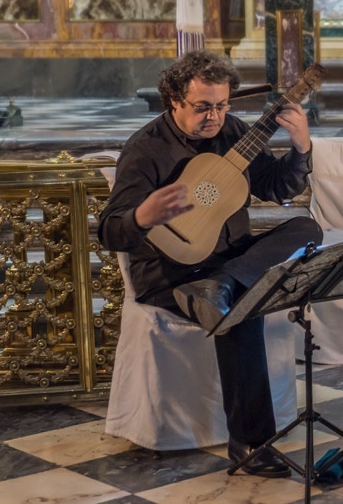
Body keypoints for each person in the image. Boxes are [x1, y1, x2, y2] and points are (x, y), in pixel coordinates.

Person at [98, 49, 323, 478]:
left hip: (227, 263)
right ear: (174, 100)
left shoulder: (233, 131)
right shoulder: (146, 150)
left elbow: (277, 188)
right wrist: (142, 215)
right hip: (172, 275)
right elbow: (110, 232)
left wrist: (301, 148)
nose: (214, 116)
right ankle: (251, 444)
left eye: (222, 105)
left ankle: (223, 283)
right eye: (202, 107)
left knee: (306, 229)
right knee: (240, 309)